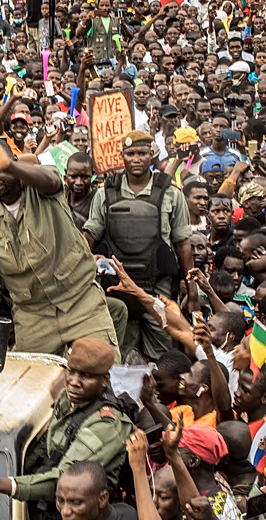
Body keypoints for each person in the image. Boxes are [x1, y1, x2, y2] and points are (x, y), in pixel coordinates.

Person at [0, 126, 120, 362]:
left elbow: (51, 180)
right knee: (28, 387)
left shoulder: (39, 185)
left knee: (104, 372)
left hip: (81, 301)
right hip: (32, 314)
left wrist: (10, 166)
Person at [0, 338, 134, 520]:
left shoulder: (106, 425)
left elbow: (64, 482)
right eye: (72, 371)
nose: (74, 382)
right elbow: (46, 450)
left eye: (86, 376)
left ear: (104, 380)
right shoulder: (68, 400)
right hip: (50, 518)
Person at [84, 131, 195, 359]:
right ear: (122, 156)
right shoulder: (105, 193)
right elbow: (90, 236)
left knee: (163, 353)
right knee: (116, 354)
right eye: (130, 153)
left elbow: (183, 244)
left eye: (142, 153)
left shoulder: (171, 194)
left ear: (152, 154)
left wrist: (192, 289)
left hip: (158, 287)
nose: (136, 159)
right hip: (116, 286)